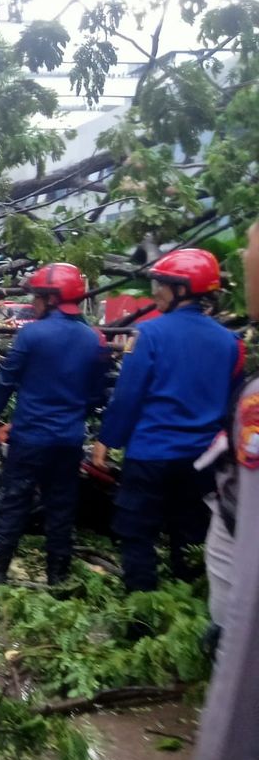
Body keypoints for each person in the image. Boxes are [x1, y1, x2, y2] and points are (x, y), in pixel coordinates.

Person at [93, 248, 245, 592]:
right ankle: (186, 604)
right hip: (202, 462)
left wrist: (107, 440)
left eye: (161, 285)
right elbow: (233, 405)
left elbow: (128, 396)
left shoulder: (149, 336)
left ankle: (141, 617)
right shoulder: (232, 343)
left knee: (136, 534)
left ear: (182, 290)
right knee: (191, 538)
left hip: (150, 456)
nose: (154, 291)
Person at [0, 263, 109, 589]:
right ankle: (57, 579)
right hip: (68, 440)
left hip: (30, 438)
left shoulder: (32, 333)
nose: (33, 303)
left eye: (37, 296)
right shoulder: (95, 339)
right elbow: (96, 395)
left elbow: (7, 379)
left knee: (12, 503)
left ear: (51, 298)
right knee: (61, 508)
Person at [194, 220, 259, 760]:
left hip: (213, 480)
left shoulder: (156, 336)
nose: (243, 254)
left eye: (251, 247)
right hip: (200, 456)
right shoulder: (231, 343)